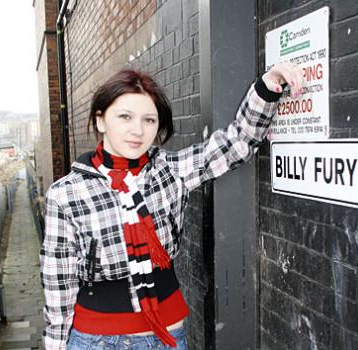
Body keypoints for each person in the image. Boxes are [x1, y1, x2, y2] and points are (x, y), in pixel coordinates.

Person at [40, 62, 303, 349]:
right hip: (95, 340)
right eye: (125, 117)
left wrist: (268, 86)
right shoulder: (66, 194)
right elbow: (58, 285)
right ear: (101, 120)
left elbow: (238, 141)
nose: (137, 130)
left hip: (165, 337)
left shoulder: (169, 171)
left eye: (149, 120)